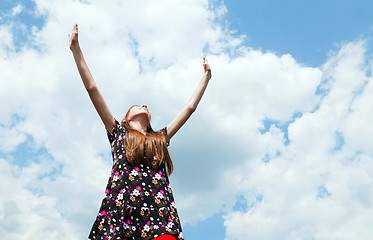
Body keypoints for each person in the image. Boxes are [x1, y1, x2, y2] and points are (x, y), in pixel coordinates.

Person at [69, 23, 212, 240]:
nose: (143, 105)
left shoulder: (160, 138)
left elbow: (189, 108)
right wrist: (76, 50)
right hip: (123, 211)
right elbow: (92, 89)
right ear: (126, 118)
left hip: (159, 214)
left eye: (146, 106)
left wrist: (206, 78)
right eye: (137, 105)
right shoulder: (118, 133)